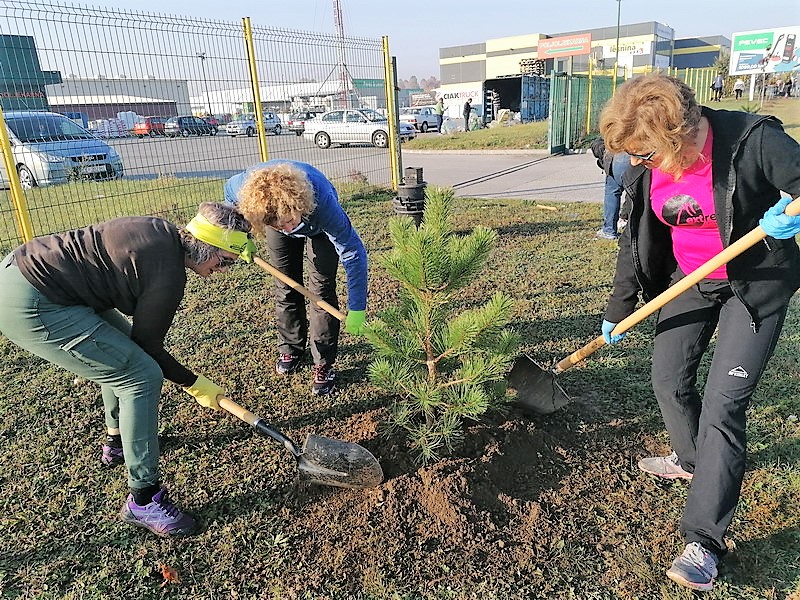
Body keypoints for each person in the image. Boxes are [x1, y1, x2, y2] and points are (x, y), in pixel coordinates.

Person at [598, 74, 800, 592]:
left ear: (680, 135)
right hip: (689, 281)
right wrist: (618, 310)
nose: (640, 166)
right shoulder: (649, 164)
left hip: (752, 282)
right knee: (667, 379)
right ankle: (692, 460)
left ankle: (705, 540)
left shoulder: (753, 139)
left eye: (647, 155)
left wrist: (790, 217)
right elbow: (635, 237)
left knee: (723, 404)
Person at [0, 202, 257, 537]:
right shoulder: (168, 277)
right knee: (141, 375)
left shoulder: (161, 230)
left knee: (124, 355)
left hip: (24, 270)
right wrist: (196, 385)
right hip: (34, 303)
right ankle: (143, 500)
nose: (223, 271)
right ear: (206, 247)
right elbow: (149, 349)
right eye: (224, 261)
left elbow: (136, 341)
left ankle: (117, 441)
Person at [224, 160, 368, 396]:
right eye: (279, 226)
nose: (288, 230)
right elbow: (230, 197)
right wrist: (244, 237)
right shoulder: (245, 188)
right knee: (285, 283)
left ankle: (323, 363)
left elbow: (352, 252)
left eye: (289, 222)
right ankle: (291, 347)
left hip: (316, 225)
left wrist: (357, 307)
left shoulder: (323, 205)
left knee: (321, 290)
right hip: (277, 210)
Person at [591, 136, 631, 240]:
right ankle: (634, 228)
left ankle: (609, 230)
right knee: (638, 194)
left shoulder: (614, 123)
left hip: (616, 156)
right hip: (637, 154)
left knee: (612, 193)